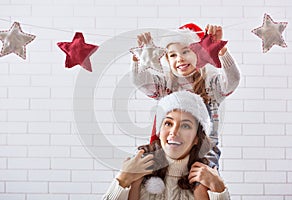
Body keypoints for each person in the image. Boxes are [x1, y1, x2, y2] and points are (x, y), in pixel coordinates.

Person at [130, 23, 241, 169]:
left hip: (203, 153)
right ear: (168, 61)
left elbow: (233, 80)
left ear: (199, 54)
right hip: (171, 149)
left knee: (203, 184)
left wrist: (221, 51)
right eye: (173, 55)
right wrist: (141, 58)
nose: (180, 58)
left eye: (186, 51)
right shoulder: (166, 86)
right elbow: (140, 81)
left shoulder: (210, 86)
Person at [102, 91, 230, 199]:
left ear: (197, 138)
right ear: (159, 131)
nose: (174, 132)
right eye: (168, 123)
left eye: (185, 126)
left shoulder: (204, 177)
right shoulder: (139, 171)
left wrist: (219, 189)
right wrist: (123, 179)